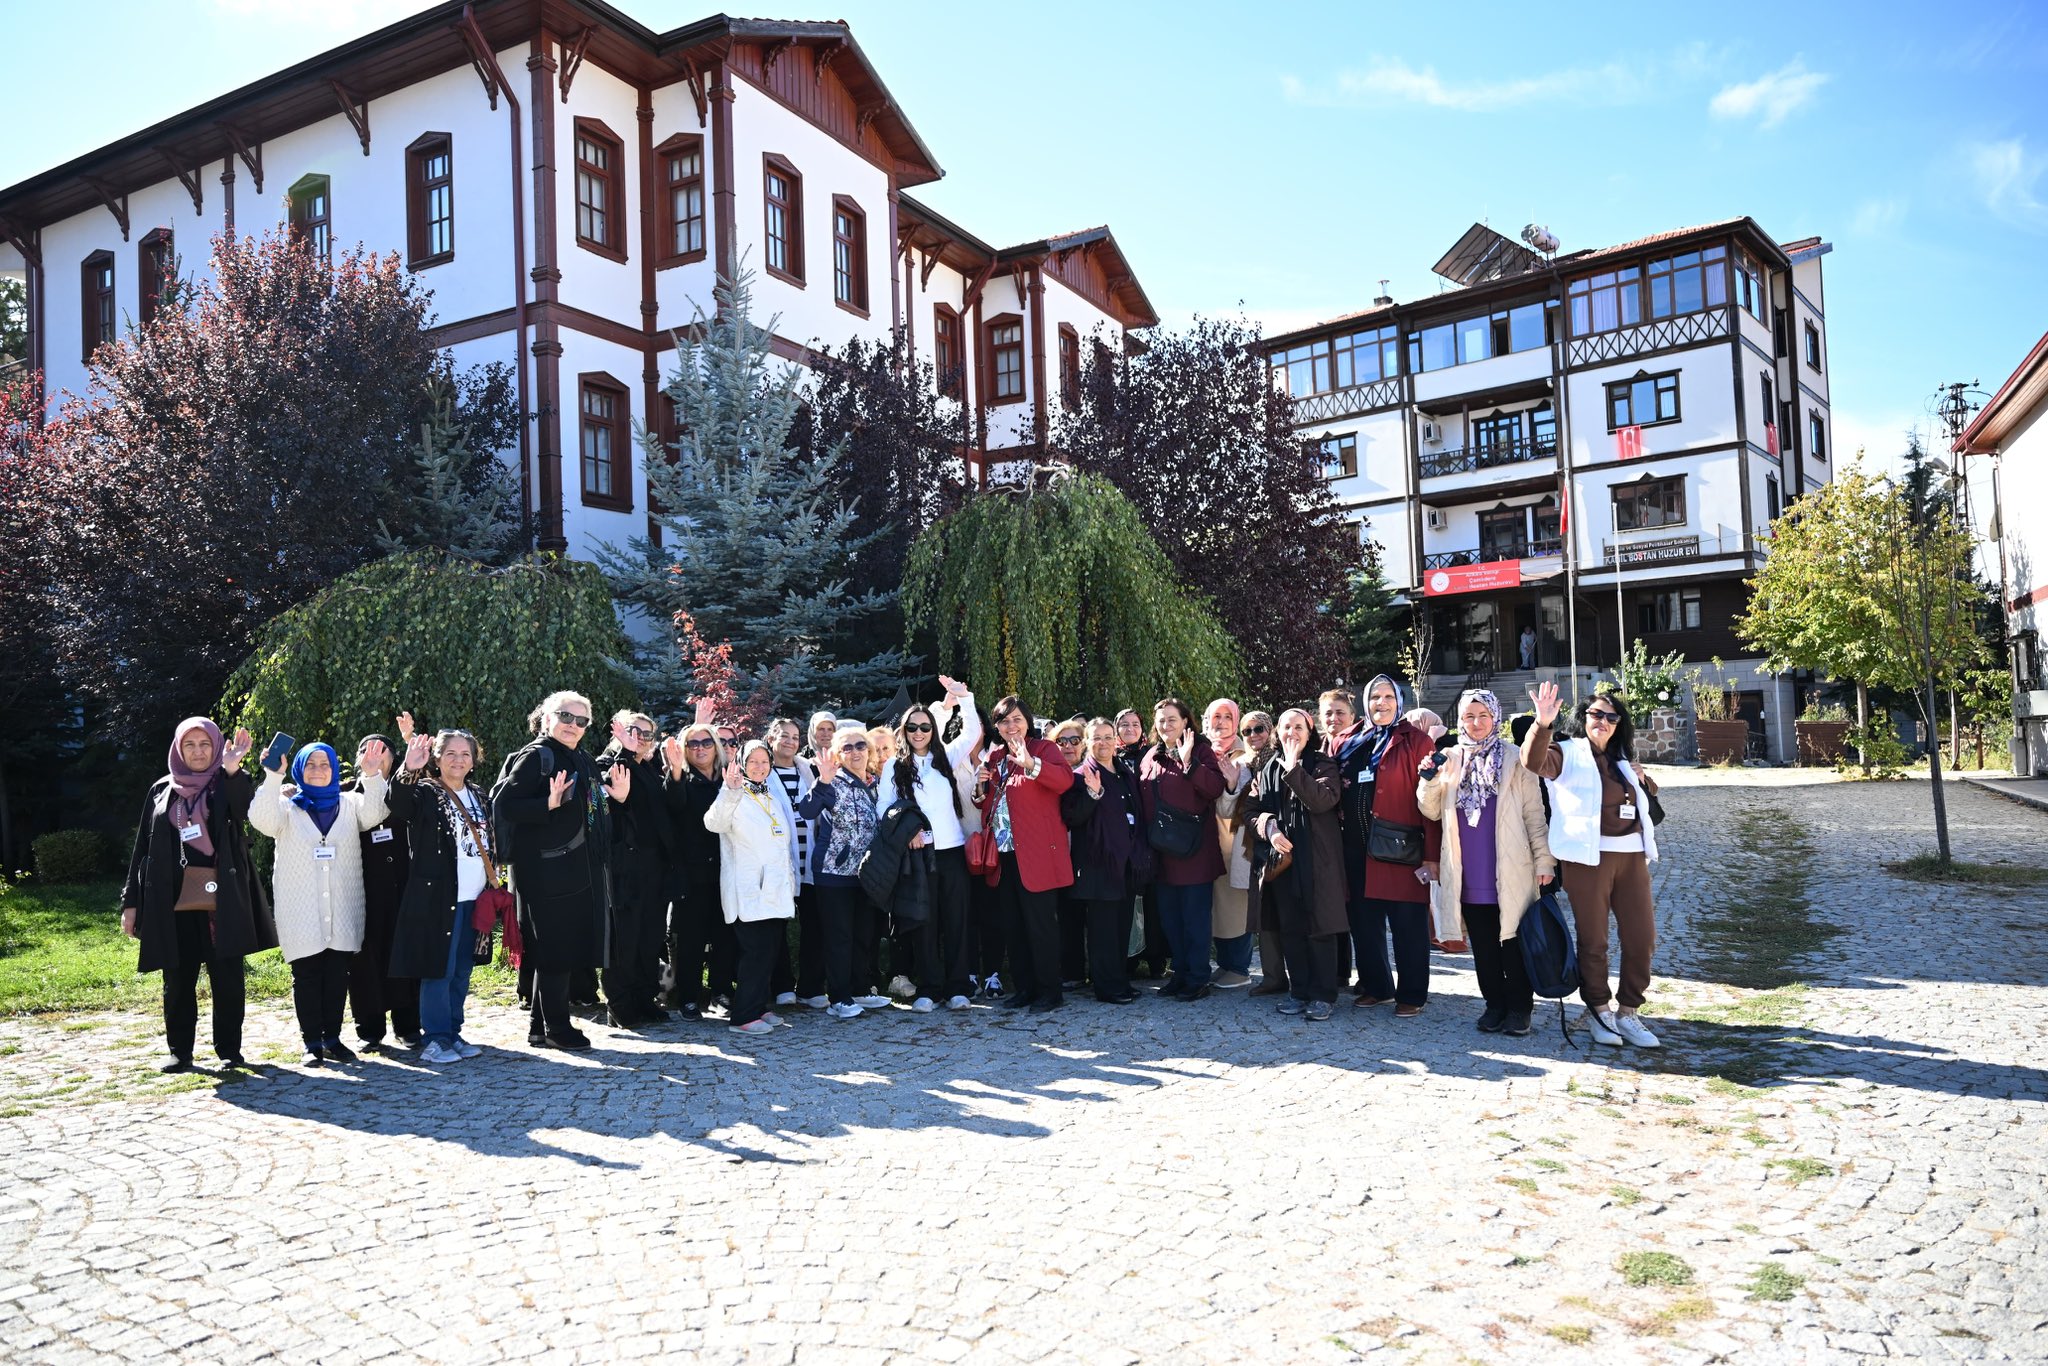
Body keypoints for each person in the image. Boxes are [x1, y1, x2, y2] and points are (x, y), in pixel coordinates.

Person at [121, 718, 269, 1073]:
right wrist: (131, 901)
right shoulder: (161, 790)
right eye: (190, 745)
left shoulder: (227, 783)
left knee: (227, 978)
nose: (199, 751)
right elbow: (142, 847)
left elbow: (243, 810)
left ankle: (230, 1052)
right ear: (178, 749)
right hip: (171, 900)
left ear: (216, 747)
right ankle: (180, 1052)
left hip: (222, 898)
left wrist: (232, 771)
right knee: (177, 978)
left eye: (205, 744)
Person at [1522, 682, 1663, 1048]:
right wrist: (1542, 723)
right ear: (1583, 718)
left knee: (1642, 937)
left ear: (1619, 724)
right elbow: (1533, 762)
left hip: (1632, 857)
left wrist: (1643, 778)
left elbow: (1649, 800)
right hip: (1588, 859)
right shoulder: (1566, 753)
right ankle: (1600, 1010)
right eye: (1596, 714)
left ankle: (1629, 1011)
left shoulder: (1621, 759)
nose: (1603, 721)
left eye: (1611, 716)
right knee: (1594, 941)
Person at [1418, 689, 1555, 1037]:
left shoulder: (1515, 758)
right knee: (1483, 947)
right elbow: (1429, 809)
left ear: (1495, 717)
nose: (1476, 723)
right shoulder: (1447, 758)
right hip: (1467, 872)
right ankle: (1494, 1005)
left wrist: (1545, 863)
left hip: (1511, 868)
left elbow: (1534, 815)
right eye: (1468, 716)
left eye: (1483, 716)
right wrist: (1429, 779)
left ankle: (1520, 1009)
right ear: (1459, 720)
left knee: (1513, 944)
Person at [250, 739, 392, 1066]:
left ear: (333, 768)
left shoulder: (349, 802)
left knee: (337, 976)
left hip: (342, 908)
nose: (318, 770)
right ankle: (311, 1042)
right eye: (311, 765)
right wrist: (272, 778)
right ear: (300, 769)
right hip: (300, 911)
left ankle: (333, 1039)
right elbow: (261, 819)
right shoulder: (287, 807)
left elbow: (377, 811)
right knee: (307, 976)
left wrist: (371, 776)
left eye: (324, 764)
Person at [497, 691, 625, 1050]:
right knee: (555, 950)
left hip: (573, 869)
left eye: (581, 721)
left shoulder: (578, 757)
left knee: (556, 950)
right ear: (547, 718)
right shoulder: (538, 755)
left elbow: (591, 805)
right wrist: (546, 803)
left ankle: (541, 1028)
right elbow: (506, 806)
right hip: (546, 871)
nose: (573, 725)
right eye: (566, 717)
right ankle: (557, 1028)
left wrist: (615, 798)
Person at [387, 729, 497, 1065]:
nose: (459, 760)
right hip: (439, 896)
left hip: (475, 897)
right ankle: (435, 1039)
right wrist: (408, 767)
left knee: (463, 969)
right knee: (439, 968)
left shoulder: (479, 795)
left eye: (465, 754)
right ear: (437, 758)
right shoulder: (426, 792)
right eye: (450, 753)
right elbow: (398, 805)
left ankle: (453, 1032)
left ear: (474, 760)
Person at [1340, 675, 1442, 1018]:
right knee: (1365, 925)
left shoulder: (1417, 741)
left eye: (1387, 697)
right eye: (1374, 697)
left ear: (1399, 701)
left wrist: (1432, 856)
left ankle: (1412, 994)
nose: (1380, 703)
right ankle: (1377, 986)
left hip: (1403, 847)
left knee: (1408, 926)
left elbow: (1431, 801)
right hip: (1356, 848)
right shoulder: (1352, 741)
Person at [974, 695, 1076, 1013]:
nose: (1011, 725)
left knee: (1040, 925)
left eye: (1017, 719)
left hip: (1037, 854)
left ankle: (1050, 992)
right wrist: (980, 790)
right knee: (1014, 926)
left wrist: (1032, 764)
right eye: (1004, 721)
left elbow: (1064, 781)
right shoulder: (997, 758)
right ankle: (1025, 989)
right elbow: (991, 806)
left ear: (1027, 721)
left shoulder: (1044, 749)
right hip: (1004, 856)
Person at [1251, 708, 1346, 1020]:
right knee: (1291, 930)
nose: (1291, 732)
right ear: (1278, 732)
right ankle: (1299, 991)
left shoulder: (1323, 764)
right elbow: (1252, 810)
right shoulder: (1266, 769)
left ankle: (1323, 995)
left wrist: (1293, 769)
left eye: (1298, 727)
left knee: (1320, 929)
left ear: (1309, 731)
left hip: (1317, 863)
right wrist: (1270, 827)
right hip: (1283, 864)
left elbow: (1322, 800)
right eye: (1286, 727)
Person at [894, 676, 982, 1011]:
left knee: (957, 921)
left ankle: (958, 985)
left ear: (933, 729)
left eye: (925, 727)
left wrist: (965, 698)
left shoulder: (946, 758)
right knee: (924, 923)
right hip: (917, 856)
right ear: (905, 731)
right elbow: (886, 809)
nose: (919, 733)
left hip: (952, 853)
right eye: (913, 728)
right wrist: (908, 833)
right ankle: (929, 988)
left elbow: (972, 732)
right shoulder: (895, 766)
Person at [703, 741, 801, 1035]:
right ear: (742, 764)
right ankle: (743, 1016)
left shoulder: (768, 794)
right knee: (754, 953)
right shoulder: (734, 794)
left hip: (774, 889)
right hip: (749, 889)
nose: (759, 767)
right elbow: (713, 822)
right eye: (753, 761)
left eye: (764, 761)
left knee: (769, 952)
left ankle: (758, 1007)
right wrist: (729, 790)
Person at [794, 724, 890, 1018]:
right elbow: (807, 811)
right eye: (846, 748)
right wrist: (821, 782)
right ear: (837, 753)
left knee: (863, 934)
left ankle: (860, 988)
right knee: (840, 936)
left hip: (865, 874)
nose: (854, 752)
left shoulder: (875, 784)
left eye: (860, 746)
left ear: (869, 751)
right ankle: (839, 997)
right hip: (833, 874)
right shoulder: (831, 782)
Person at [1136, 697, 1227, 1001]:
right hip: (1162, 853)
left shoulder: (1202, 751)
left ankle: (1198, 978)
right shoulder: (1150, 756)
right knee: (1171, 922)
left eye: (1172, 719)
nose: (1166, 725)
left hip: (1194, 853)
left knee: (1194, 921)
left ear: (1186, 721)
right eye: (1161, 720)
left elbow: (1214, 789)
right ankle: (1181, 974)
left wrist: (1189, 762)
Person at [598, 711, 674, 1028]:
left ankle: (644, 999)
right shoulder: (607, 763)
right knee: (624, 938)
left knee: (649, 936)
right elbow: (610, 784)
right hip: (624, 866)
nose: (640, 738)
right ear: (619, 734)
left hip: (654, 866)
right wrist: (626, 751)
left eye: (646, 734)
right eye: (634, 732)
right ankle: (619, 1005)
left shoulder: (652, 768)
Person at [1061, 718, 1145, 1003]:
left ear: (1116, 740)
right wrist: (1093, 794)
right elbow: (1072, 817)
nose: (1103, 743)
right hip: (1098, 865)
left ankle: (1119, 979)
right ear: (1087, 741)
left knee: (1122, 926)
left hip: (1126, 863)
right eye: (1096, 738)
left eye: (1108, 737)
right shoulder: (1079, 775)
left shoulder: (1124, 772)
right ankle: (1106, 987)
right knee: (1102, 930)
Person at [350, 728, 420, 1048]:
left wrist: (412, 742)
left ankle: (408, 1026)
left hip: (404, 888)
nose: (375, 756)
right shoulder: (346, 794)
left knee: (405, 956)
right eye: (368, 751)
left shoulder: (404, 790)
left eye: (382, 752)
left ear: (393, 761)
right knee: (367, 962)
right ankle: (370, 1029)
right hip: (363, 892)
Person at [662, 721, 727, 1019]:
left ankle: (720, 992)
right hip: (691, 871)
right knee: (691, 939)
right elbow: (673, 805)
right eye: (693, 744)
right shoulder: (680, 779)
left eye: (706, 742)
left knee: (725, 936)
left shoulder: (728, 778)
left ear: (716, 746)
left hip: (727, 870)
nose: (700, 748)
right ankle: (688, 997)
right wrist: (675, 772)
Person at [766, 718, 822, 1007]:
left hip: (809, 859)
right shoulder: (763, 771)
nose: (790, 741)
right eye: (784, 735)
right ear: (771, 738)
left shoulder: (807, 770)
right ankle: (782, 986)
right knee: (777, 927)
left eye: (795, 736)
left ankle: (810, 987)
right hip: (780, 861)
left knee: (814, 925)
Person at [1203, 698, 1256, 989]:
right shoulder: (1201, 752)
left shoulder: (1244, 755)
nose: (1220, 722)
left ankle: (1238, 965)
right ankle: (1225, 964)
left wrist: (1232, 786)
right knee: (1218, 907)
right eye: (1215, 716)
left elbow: (1235, 806)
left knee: (1235, 906)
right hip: (1207, 844)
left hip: (1234, 843)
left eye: (1227, 716)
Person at [1237, 710, 1288, 997]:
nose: (1254, 735)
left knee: (1288, 914)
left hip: (1285, 845)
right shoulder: (1247, 762)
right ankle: (1273, 977)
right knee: (1265, 914)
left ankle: (1299, 978)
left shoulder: (1281, 757)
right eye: (1247, 731)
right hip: (1260, 845)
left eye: (1259, 729)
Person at [1115, 707, 1167, 981]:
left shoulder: (1151, 756)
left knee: (1153, 901)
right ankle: (1130, 957)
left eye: (1135, 723)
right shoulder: (1112, 758)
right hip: (1124, 841)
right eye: (1124, 724)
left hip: (1151, 838)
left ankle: (1157, 958)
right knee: (1130, 901)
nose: (1130, 728)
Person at [1046, 718, 1093, 986]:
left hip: (1088, 853)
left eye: (1074, 740)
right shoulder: (1047, 773)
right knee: (1067, 914)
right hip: (1058, 853)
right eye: (1060, 741)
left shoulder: (1092, 770)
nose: (1068, 746)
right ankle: (1072, 971)